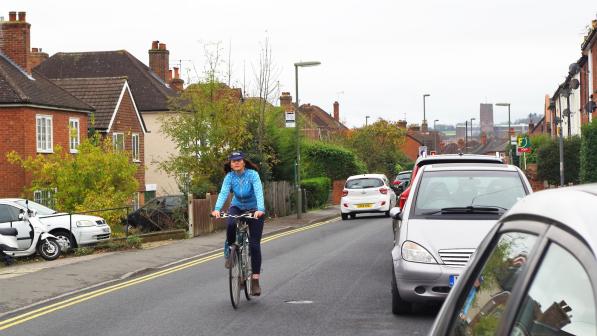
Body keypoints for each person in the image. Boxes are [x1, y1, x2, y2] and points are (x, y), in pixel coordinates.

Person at [211, 151, 265, 296]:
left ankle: (255, 281)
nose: (236, 163)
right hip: (237, 206)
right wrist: (216, 209)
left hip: (254, 209)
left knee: (254, 245)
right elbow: (223, 193)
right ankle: (231, 252)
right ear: (230, 163)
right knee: (230, 224)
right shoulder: (229, 177)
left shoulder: (253, 175)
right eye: (233, 161)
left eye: (239, 160)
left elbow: (259, 191)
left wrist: (260, 209)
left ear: (243, 162)